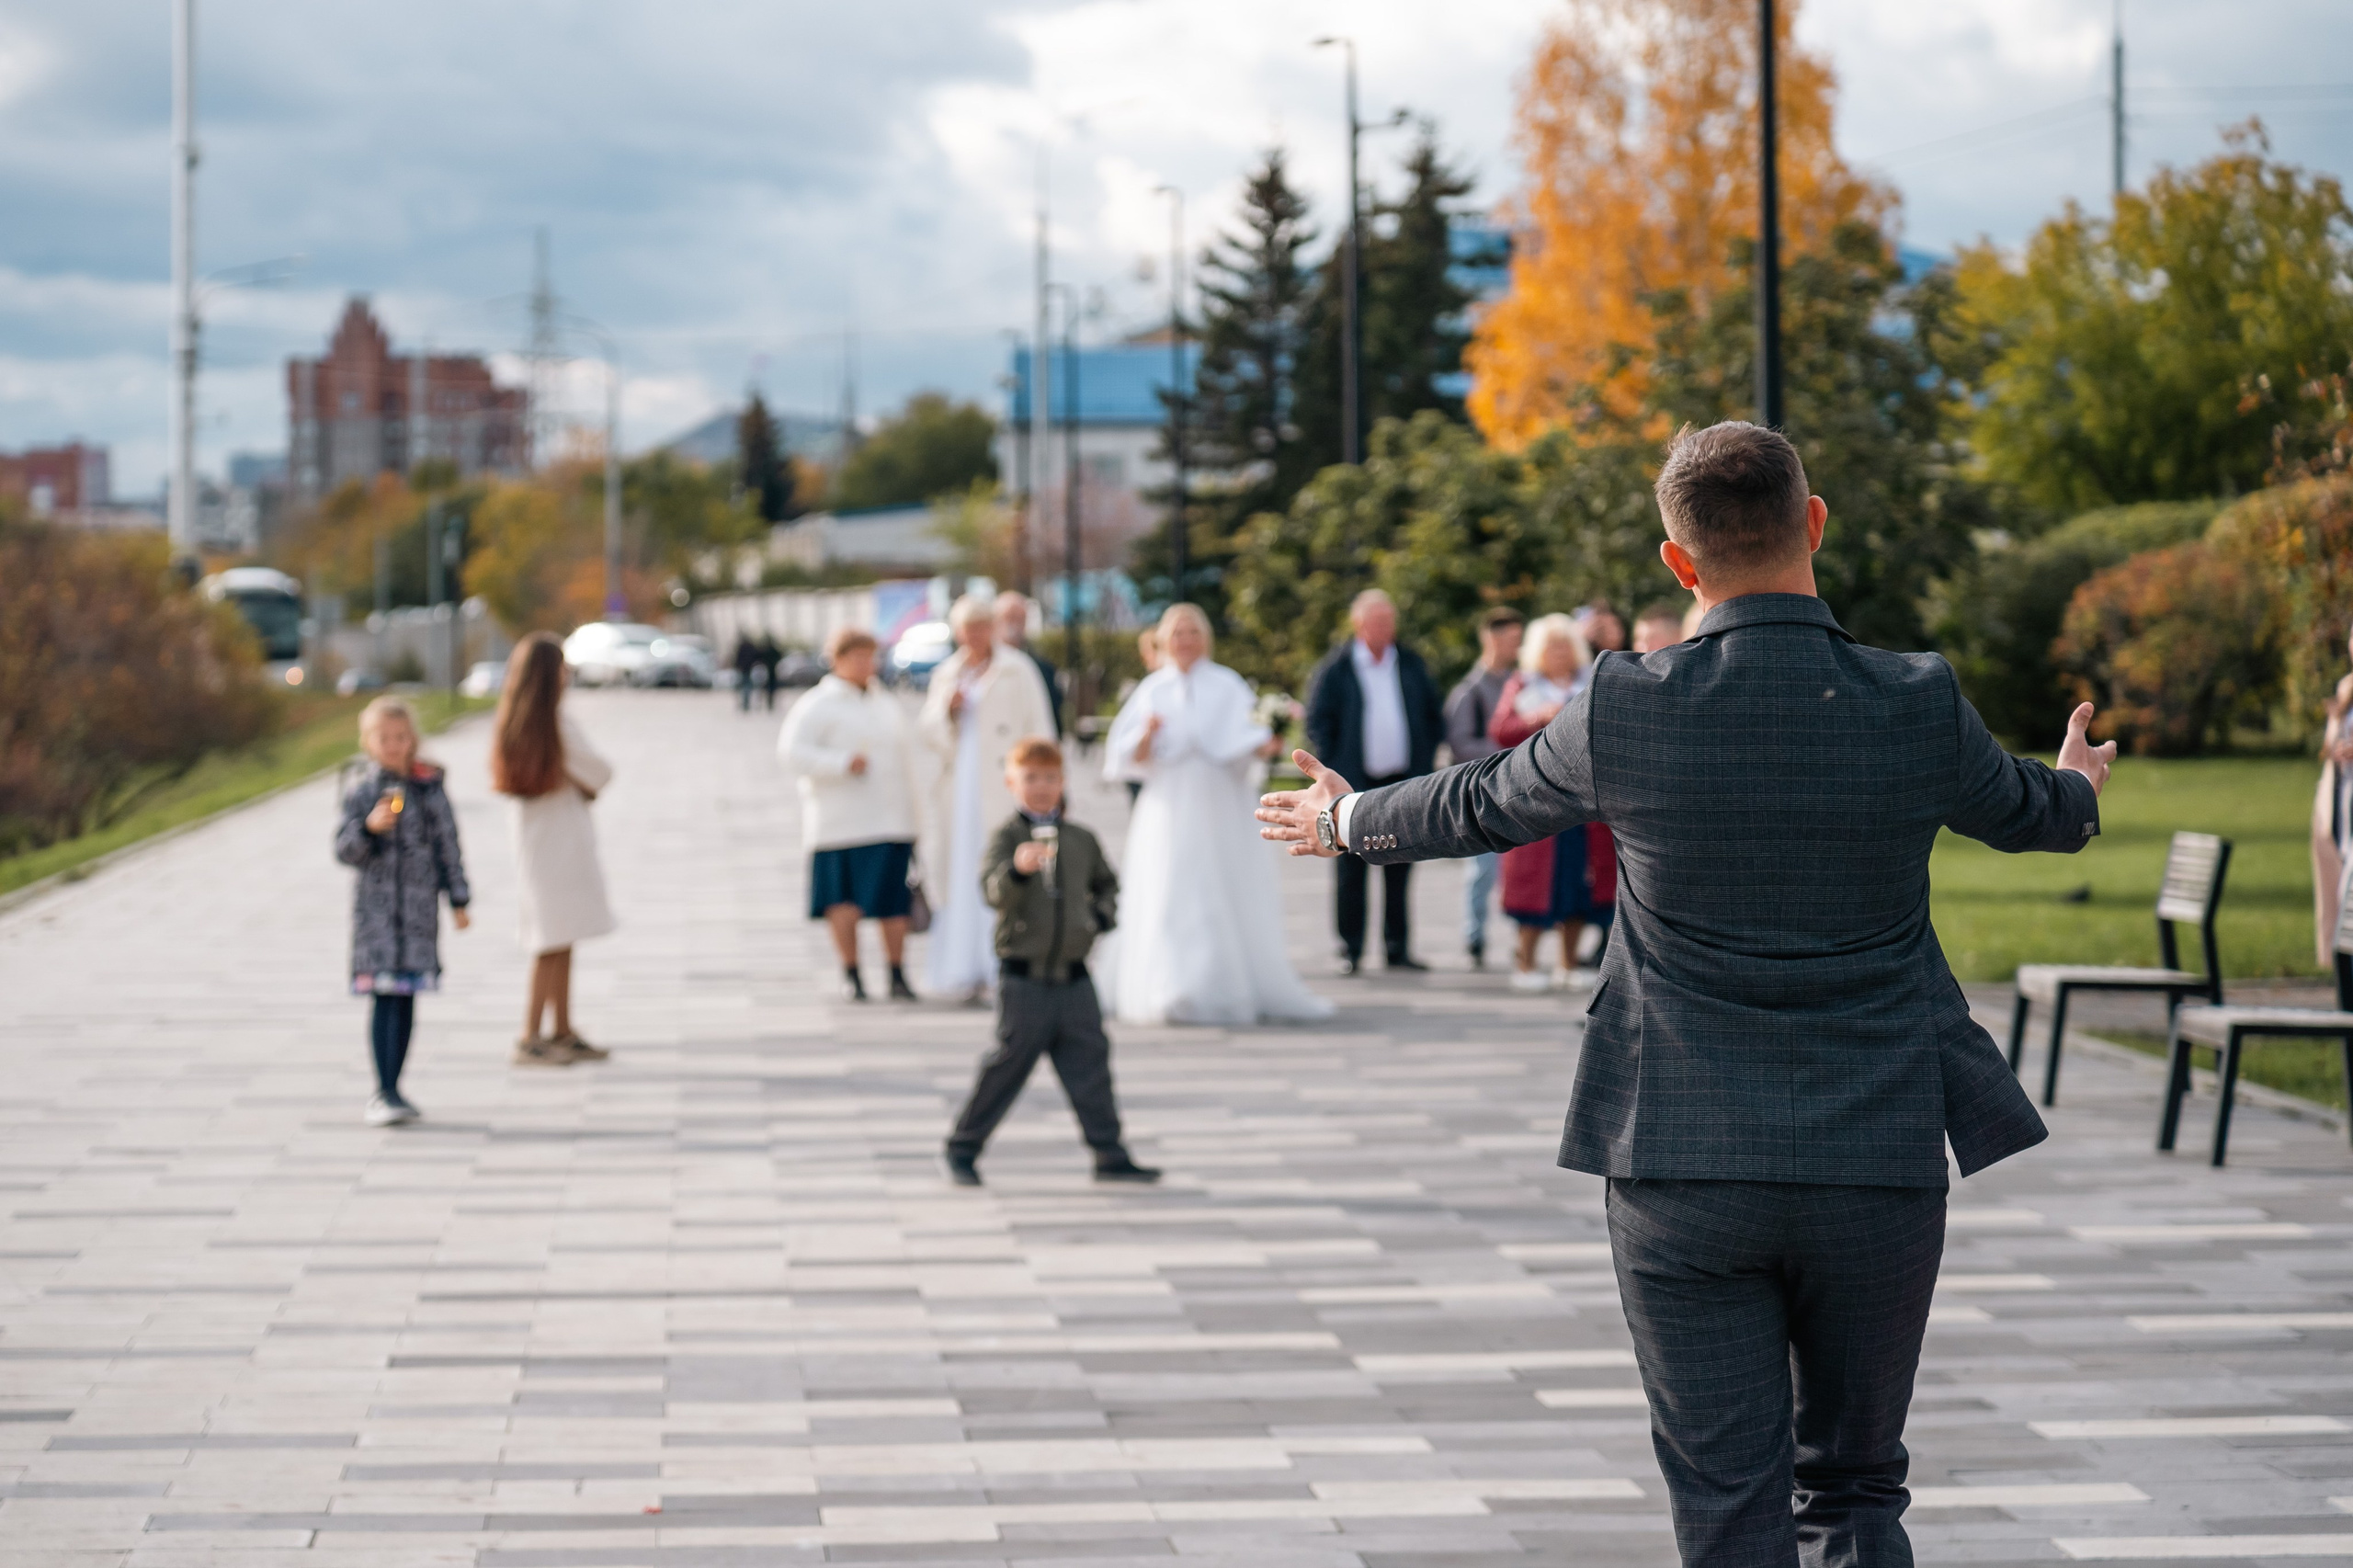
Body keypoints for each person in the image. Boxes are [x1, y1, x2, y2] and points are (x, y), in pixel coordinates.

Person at [1258, 420, 2116, 1567]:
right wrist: (2076, 779)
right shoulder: (1915, 698)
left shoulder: (1626, 704)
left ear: (1677, 563)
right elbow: (2035, 815)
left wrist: (1342, 818)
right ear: (1813, 525)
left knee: (1725, 1502)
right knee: (1857, 1488)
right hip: (1878, 1154)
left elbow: (1478, 802)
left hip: (1680, 1155)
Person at [1101, 604, 1336, 1027]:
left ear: (1204, 637)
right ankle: (1170, 984)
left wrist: (1268, 740)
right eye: (1177, 633)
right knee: (1170, 886)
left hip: (1219, 803)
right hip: (1168, 806)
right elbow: (1126, 757)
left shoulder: (1226, 684)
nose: (1185, 641)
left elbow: (1247, 742)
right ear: (1164, 640)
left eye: (1192, 632)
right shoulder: (1153, 690)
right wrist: (1149, 735)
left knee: (1221, 884)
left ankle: (1226, 982)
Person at [943, 736, 1160, 1187]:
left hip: (1076, 978)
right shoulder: (1007, 836)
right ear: (1012, 783)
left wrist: (1097, 919)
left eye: (1049, 778)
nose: (1041, 787)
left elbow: (1107, 884)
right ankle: (963, 1147)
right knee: (1007, 1065)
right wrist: (1017, 872)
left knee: (1091, 1064)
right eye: (1030, 779)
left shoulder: (1080, 838)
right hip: (1025, 978)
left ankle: (1109, 1152)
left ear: (1062, 782)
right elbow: (991, 891)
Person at [333, 697, 471, 1127]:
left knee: (406, 998)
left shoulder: (429, 789)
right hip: (376, 917)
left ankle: (397, 1085)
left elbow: (448, 845)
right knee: (383, 999)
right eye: (383, 738)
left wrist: (459, 898)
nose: (393, 746)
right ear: (368, 742)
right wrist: (368, 830)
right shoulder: (362, 791)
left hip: (415, 914)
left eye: (400, 737)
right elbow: (344, 850)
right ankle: (383, 1089)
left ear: (413, 740)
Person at [919, 595, 1056, 1001]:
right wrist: (949, 710)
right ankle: (964, 964)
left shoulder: (1017, 669)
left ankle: (1007, 960)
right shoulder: (948, 673)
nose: (975, 635)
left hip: (1005, 782)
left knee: (1006, 864)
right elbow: (926, 731)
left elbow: (1040, 728)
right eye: (967, 628)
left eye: (982, 626)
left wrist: (1045, 784)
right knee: (963, 866)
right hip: (961, 784)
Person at [491, 631, 618, 1067]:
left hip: (536, 840)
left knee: (556, 934)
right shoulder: (556, 724)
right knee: (550, 938)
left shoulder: (513, 721)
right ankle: (530, 1036)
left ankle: (561, 1029)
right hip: (560, 840)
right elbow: (600, 772)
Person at [779, 626, 922, 1003]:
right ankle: (852, 972)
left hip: (889, 818)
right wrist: (841, 762)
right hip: (840, 821)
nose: (864, 664)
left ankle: (897, 971)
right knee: (842, 902)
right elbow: (792, 753)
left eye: (869, 656)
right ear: (837, 660)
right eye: (856, 656)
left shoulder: (885, 701)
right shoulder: (817, 704)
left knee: (894, 901)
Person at [1303, 588, 1443, 974]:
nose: (1383, 629)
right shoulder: (1337, 667)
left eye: (1388, 621)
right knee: (1350, 866)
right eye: (1375, 621)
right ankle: (1351, 948)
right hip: (1353, 786)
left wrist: (1424, 760)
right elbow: (1318, 721)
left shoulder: (1411, 663)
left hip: (1404, 781)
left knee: (1401, 861)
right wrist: (1335, 766)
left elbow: (1433, 716)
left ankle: (1397, 948)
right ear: (1358, 624)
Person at [1489, 615, 1615, 994]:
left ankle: (1568, 961)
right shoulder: (1523, 684)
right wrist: (1537, 718)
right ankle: (1525, 962)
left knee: (1579, 882)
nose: (1558, 653)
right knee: (1534, 884)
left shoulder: (1588, 682)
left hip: (1583, 805)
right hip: (1537, 798)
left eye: (1564, 645)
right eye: (1551, 645)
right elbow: (1500, 731)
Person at [1443, 608, 1524, 970]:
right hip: (1484, 793)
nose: (1517, 647)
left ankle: (1521, 938)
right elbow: (1460, 744)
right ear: (1491, 639)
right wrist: (1510, 753)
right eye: (1511, 640)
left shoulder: (1520, 682)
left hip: (1516, 789)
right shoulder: (1470, 691)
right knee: (1482, 870)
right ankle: (1474, 936)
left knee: (1517, 871)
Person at [2313, 627, 2353, 964]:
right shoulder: (2347, 687)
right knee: (2339, 888)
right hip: (2339, 800)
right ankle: (2340, 969)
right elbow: (2330, 748)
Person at [995, 590, 1063, 736]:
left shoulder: (1042, 667)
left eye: (1020, 619)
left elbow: (1052, 713)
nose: (1014, 625)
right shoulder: (980, 665)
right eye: (1009, 617)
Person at [731, 635, 761, 713]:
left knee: (743, 687)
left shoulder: (741, 647)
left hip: (743, 669)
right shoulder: (751, 647)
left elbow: (737, 657)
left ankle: (745, 703)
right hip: (749, 668)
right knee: (747, 687)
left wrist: (737, 666)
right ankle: (746, 703)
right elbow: (756, 656)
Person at [756, 634, 784, 712]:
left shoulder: (764, 650)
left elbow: (759, 658)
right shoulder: (773, 650)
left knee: (763, 689)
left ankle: (763, 704)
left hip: (765, 671)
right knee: (770, 690)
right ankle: (769, 704)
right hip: (771, 671)